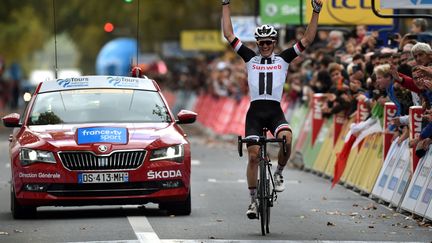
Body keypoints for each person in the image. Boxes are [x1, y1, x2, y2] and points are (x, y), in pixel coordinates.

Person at [221, 0, 322, 219]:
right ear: (257, 43)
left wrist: (316, 11)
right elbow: (229, 34)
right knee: (253, 156)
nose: (265, 46)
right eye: (261, 43)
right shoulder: (250, 58)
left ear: (274, 43)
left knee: (286, 138)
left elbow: (307, 39)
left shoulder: (284, 58)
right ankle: (252, 201)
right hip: (255, 113)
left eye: (268, 43)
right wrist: (225, 4)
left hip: (275, 111)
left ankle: (278, 174)